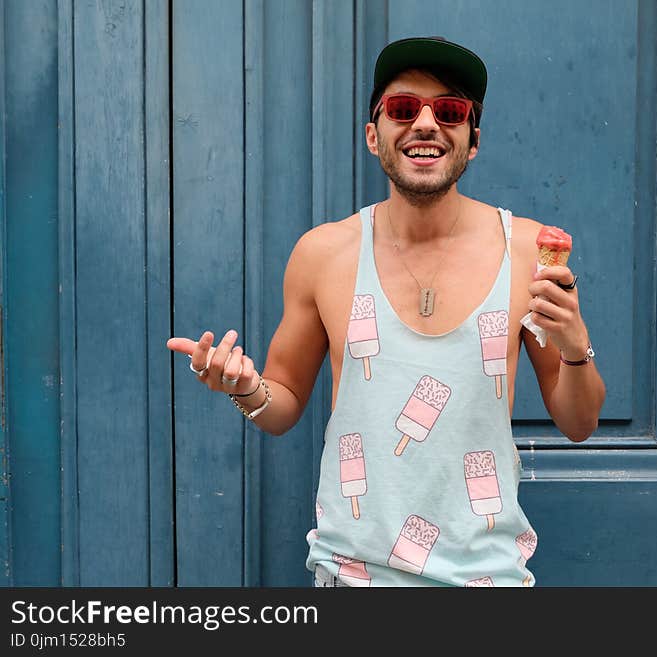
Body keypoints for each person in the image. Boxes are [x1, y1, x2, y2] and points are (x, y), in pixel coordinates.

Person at [167, 36, 605, 587]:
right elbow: (281, 408)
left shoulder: (528, 252)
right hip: (351, 577)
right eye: (402, 108)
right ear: (374, 137)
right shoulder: (323, 254)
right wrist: (242, 387)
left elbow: (579, 423)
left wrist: (574, 349)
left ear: (473, 141)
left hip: (484, 579)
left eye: (450, 110)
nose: (426, 123)